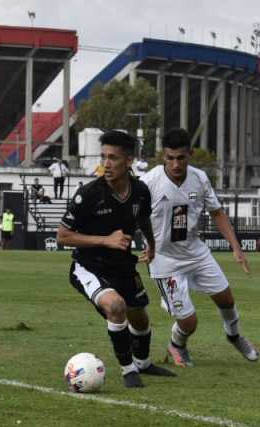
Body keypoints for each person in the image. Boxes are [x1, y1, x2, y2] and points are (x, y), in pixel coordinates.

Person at [59, 130, 176, 388]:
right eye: (103, 157)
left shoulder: (140, 191)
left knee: (140, 318)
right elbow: (63, 236)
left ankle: (144, 364)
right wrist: (105, 239)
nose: (106, 164)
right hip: (88, 266)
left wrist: (151, 244)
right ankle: (128, 370)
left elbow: (143, 218)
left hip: (122, 265)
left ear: (129, 161)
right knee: (116, 306)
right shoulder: (88, 194)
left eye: (113, 158)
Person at [141, 128, 258, 367]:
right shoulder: (149, 182)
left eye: (181, 158)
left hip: (196, 252)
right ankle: (177, 344)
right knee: (189, 322)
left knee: (226, 298)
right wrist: (146, 244)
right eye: (170, 158)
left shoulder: (199, 178)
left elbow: (217, 212)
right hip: (164, 259)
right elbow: (133, 215)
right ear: (164, 156)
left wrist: (236, 248)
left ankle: (234, 335)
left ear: (190, 154)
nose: (175, 164)